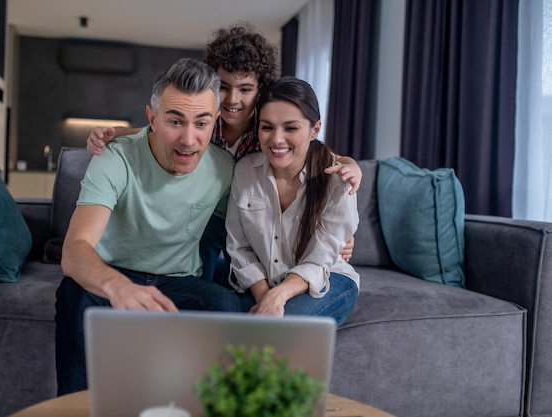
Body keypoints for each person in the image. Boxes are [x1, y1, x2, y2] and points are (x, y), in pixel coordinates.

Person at [85, 23, 359, 283]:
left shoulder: (267, 130)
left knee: (237, 275)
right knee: (201, 268)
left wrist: (351, 165)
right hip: (208, 216)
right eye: (223, 87)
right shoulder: (204, 123)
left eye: (246, 89)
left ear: (260, 91)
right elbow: (156, 131)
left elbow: (322, 154)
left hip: (251, 222)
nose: (232, 99)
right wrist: (116, 133)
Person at [54, 58, 242, 396]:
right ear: (152, 118)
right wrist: (119, 288)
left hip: (179, 281)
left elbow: (263, 221)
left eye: (201, 123)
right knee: (73, 294)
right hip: (114, 273)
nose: (188, 139)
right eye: (174, 121)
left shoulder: (224, 168)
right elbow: (74, 249)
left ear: (215, 122)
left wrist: (332, 240)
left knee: (226, 305)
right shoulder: (115, 158)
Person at [226, 76, 359, 326]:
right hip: (263, 284)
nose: (277, 139)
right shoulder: (244, 171)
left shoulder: (337, 180)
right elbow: (239, 247)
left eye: (290, 128)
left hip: (328, 279)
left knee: (284, 330)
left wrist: (280, 295)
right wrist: (266, 296)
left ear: (315, 130)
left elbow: (321, 260)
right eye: (267, 127)